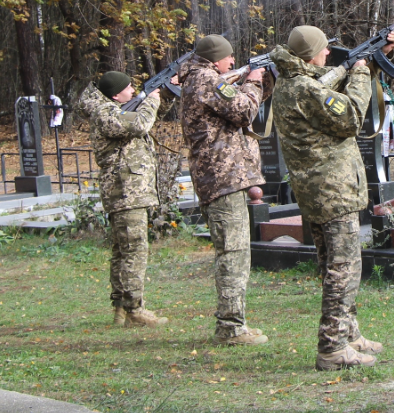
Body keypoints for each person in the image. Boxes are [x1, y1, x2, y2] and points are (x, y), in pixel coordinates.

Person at [270, 25, 394, 370]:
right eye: (323, 49)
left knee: (335, 265)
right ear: (309, 54)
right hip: (333, 191)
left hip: (318, 191)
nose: (328, 53)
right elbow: (352, 116)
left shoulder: (290, 81)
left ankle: (348, 333)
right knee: (343, 269)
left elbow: (326, 80)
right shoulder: (303, 88)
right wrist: (360, 72)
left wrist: (375, 57)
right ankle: (331, 347)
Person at [178, 34, 269, 345]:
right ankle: (230, 328)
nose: (233, 62)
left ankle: (234, 324)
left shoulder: (202, 78)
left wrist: (260, 81)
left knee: (236, 252)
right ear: (216, 59)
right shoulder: (207, 79)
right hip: (222, 177)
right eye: (229, 58)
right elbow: (244, 110)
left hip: (223, 177)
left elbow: (239, 107)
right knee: (233, 253)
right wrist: (253, 81)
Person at [77, 71, 169, 327]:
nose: (133, 91)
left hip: (128, 192)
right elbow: (139, 124)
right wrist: (151, 99)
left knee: (123, 251)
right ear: (116, 94)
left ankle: (120, 309)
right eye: (128, 88)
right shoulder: (107, 112)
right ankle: (134, 310)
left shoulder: (112, 109)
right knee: (134, 251)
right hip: (126, 192)